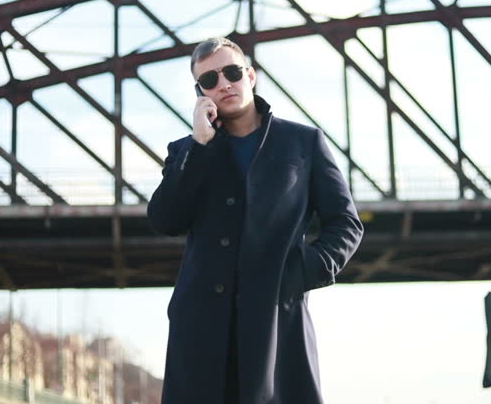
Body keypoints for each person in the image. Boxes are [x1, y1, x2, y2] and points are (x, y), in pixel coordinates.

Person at [147, 36, 363, 404]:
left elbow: (346, 222)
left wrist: (302, 271)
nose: (224, 84)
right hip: (201, 326)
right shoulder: (187, 149)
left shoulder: (303, 142)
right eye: (209, 80)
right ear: (200, 92)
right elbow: (165, 219)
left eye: (231, 72)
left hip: (277, 320)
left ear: (250, 75)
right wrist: (199, 145)